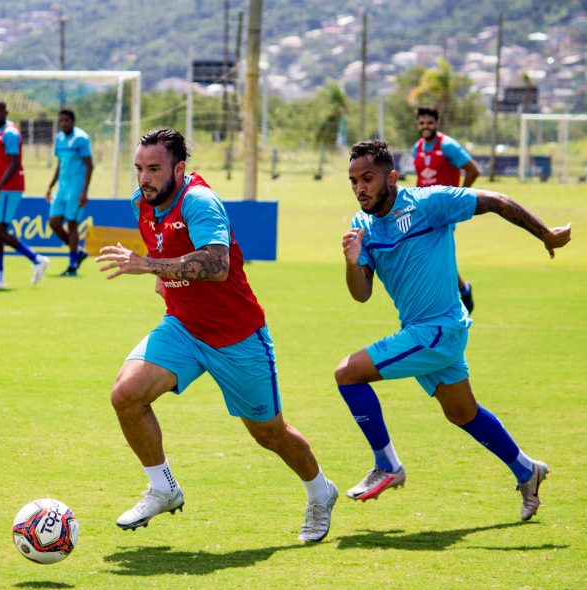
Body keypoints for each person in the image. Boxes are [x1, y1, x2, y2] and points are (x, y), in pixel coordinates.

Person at [95, 128, 337, 542]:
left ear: (180, 168)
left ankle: (320, 491)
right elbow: (166, 251)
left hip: (237, 336)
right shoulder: (145, 203)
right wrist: (160, 276)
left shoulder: (200, 201)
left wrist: (149, 266)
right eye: (138, 169)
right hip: (184, 328)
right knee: (126, 395)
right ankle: (162, 488)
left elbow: (216, 263)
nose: (144, 178)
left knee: (268, 433)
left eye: (154, 169)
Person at [337, 139, 570, 521]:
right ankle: (527, 470)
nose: (360, 188)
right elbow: (361, 294)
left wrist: (544, 233)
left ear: (391, 177)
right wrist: (350, 262)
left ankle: (387, 465)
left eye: (367, 178)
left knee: (347, 374)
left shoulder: (428, 203)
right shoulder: (361, 226)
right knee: (462, 413)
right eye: (353, 181)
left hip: (438, 330)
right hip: (422, 332)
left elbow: (496, 199)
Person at [413, 106, 480, 312]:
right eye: (422, 123)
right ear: (418, 124)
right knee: (429, 255)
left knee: (434, 255)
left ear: (437, 123)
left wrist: (457, 200)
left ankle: (447, 300)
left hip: (442, 213)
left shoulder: (448, 145)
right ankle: (462, 289)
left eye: (429, 123)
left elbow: (473, 170)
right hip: (422, 211)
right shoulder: (418, 147)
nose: (426, 126)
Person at [0, 101, 49, 290]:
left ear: (5, 113)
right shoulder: (1, 132)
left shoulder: (10, 133)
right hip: (2, 188)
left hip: (9, 188)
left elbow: (14, 162)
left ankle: (36, 259)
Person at [46, 109, 93, 277]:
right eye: (61, 121)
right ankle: (78, 251)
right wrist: (51, 186)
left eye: (66, 120)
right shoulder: (59, 138)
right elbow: (60, 165)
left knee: (72, 224)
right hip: (62, 188)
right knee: (53, 222)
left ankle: (72, 265)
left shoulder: (81, 138)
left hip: (76, 188)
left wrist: (84, 192)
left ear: (72, 121)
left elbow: (89, 165)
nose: (63, 123)